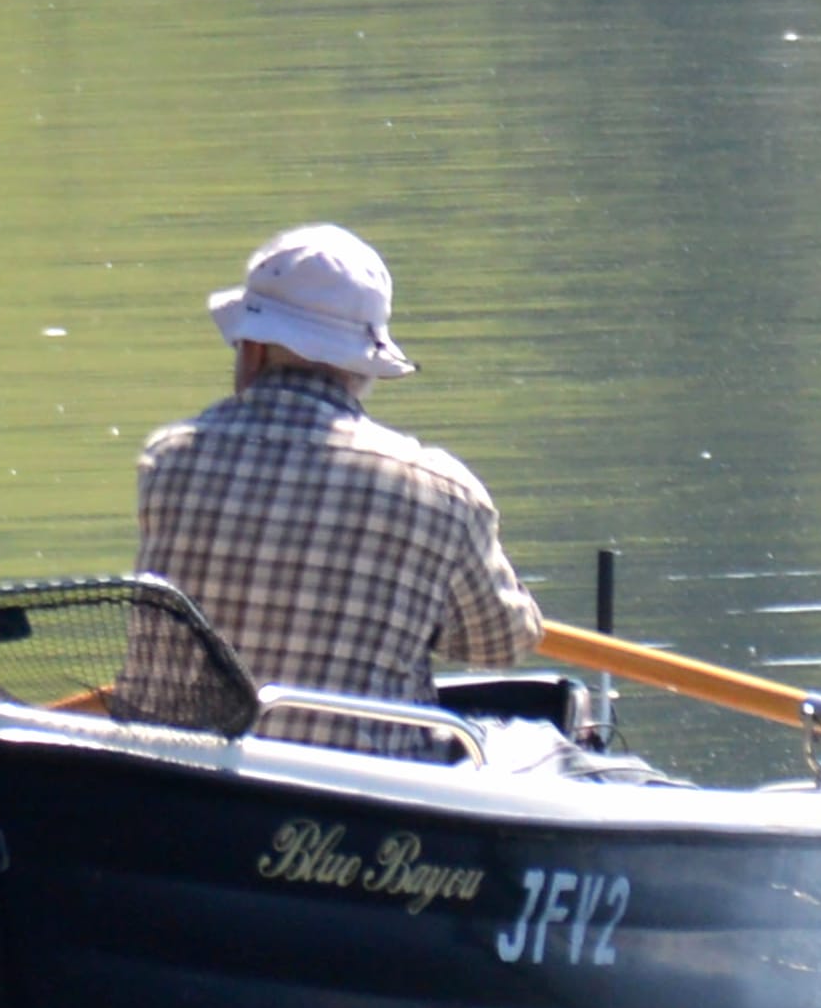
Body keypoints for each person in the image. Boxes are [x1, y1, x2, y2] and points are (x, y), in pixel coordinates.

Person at [117, 223, 539, 741]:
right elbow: (500, 643)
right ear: (364, 369)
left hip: (177, 779)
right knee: (538, 742)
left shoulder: (169, 461)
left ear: (251, 349)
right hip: (355, 793)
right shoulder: (441, 492)